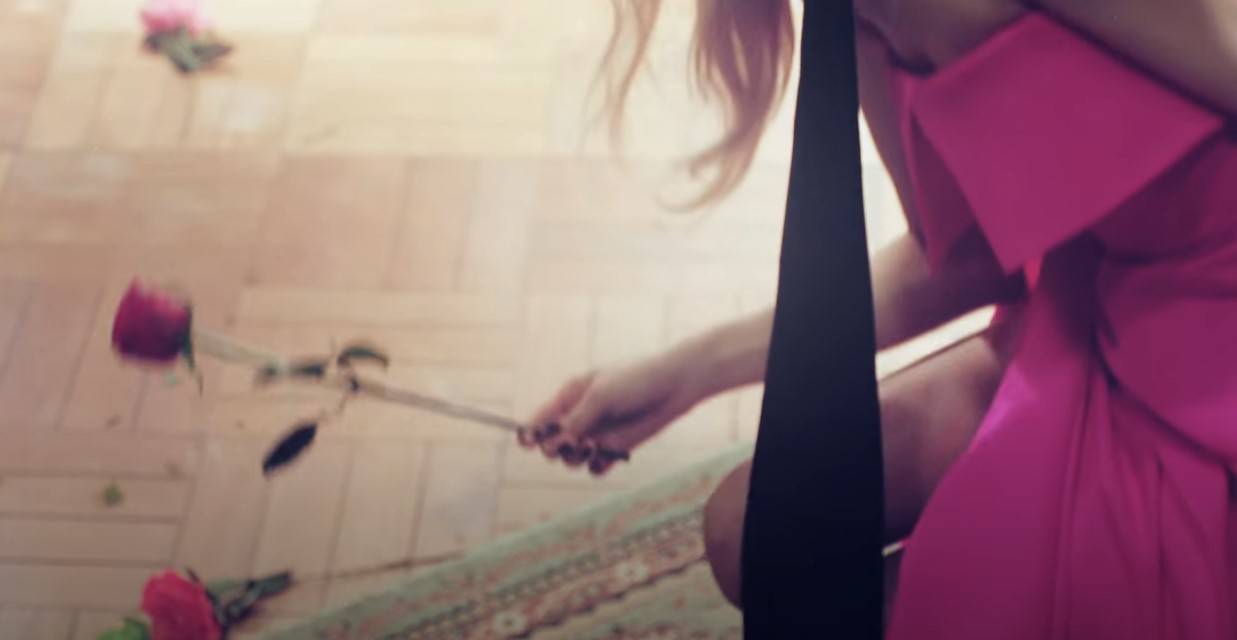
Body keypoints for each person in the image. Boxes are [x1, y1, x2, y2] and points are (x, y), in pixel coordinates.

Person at [520, 1, 1237, 637]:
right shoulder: (860, 15)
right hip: (1113, 309)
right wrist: (682, 376)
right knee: (754, 535)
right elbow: (965, 255)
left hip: (1213, 366)